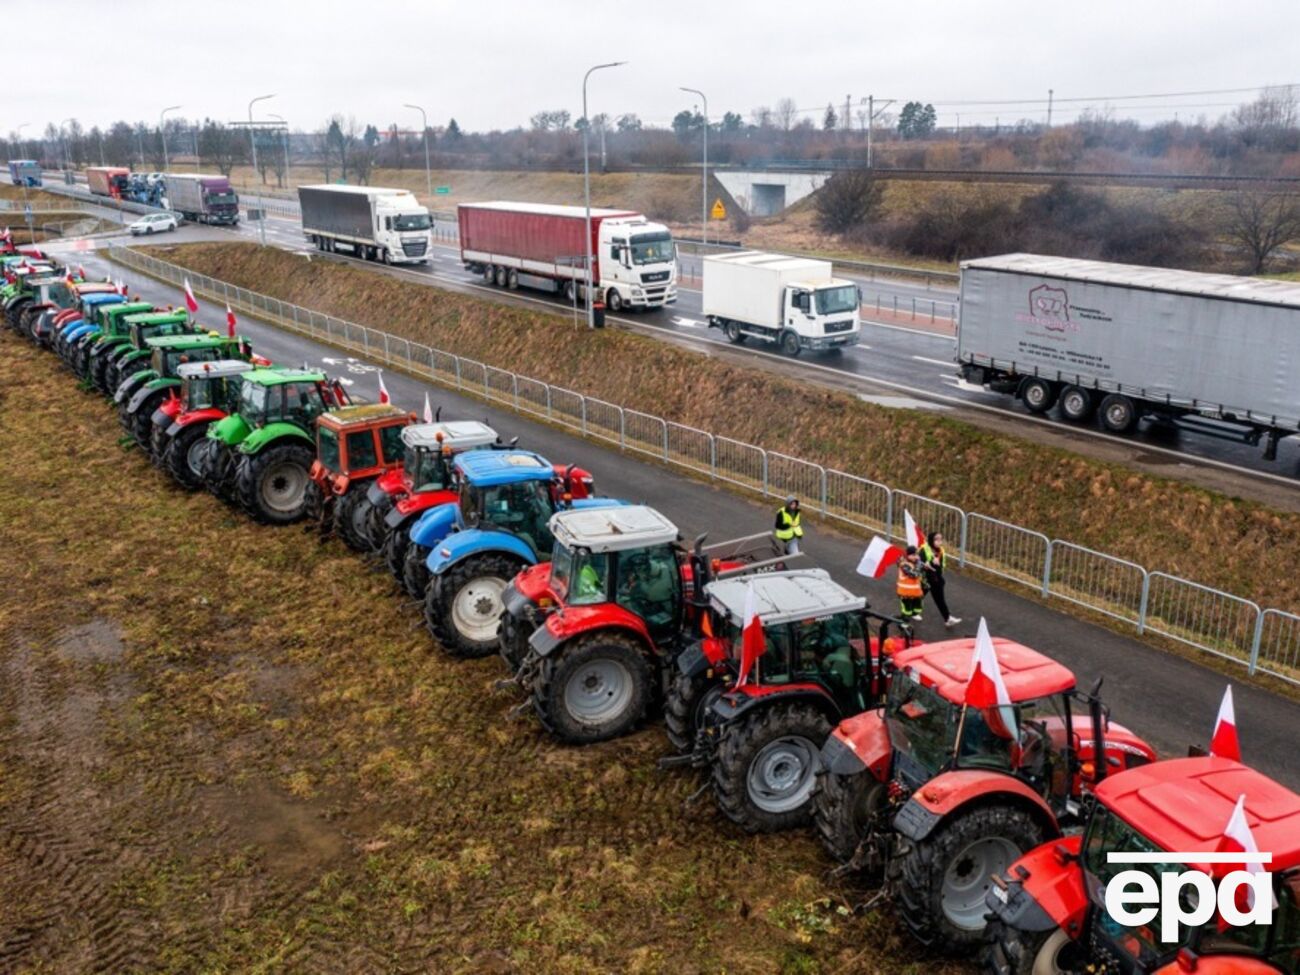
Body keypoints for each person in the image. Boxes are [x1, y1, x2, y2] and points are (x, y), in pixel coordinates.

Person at [919, 531, 962, 627]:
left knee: (939, 600)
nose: (939, 542)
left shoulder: (940, 550)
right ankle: (907, 615)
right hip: (926, 579)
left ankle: (947, 619)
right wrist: (931, 563)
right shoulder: (924, 550)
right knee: (918, 596)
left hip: (936, 580)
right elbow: (920, 564)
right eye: (936, 539)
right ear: (931, 540)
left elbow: (940, 565)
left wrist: (940, 577)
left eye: (940, 539)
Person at [897, 546, 925, 622]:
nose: (915, 557)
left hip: (915, 592)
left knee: (917, 607)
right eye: (913, 555)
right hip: (905, 593)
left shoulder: (915, 563)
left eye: (916, 555)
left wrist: (923, 567)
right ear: (907, 555)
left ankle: (914, 614)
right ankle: (903, 623)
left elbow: (920, 575)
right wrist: (919, 564)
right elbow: (914, 575)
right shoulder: (904, 565)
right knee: (907, 610)